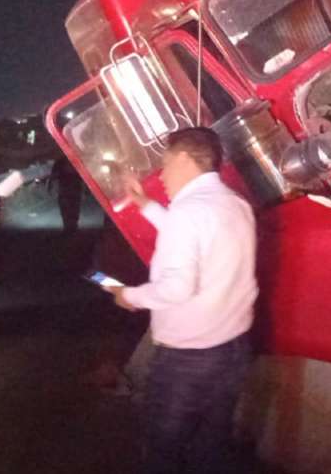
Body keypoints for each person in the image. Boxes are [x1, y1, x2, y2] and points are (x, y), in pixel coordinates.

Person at [104, 127, 257, 473]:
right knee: (212, 447)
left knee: (163, 450)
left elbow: (176, 288)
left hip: (189, 361)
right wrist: (145, 204)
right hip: (232, 351)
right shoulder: (233, 203)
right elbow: (191, 233)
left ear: (186, 159)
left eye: (166, 163)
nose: (162, 174)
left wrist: (128, 295)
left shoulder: (190, 213)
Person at [46, 154, 84, 235]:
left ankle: (70, 226)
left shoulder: (61, 161)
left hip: (68, 189)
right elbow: (54, 174)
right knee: (71, 208)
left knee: (69, 208)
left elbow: (53, 175)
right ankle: (71, 226)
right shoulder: (66, 161)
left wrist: (50, 185)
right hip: (70, 188)